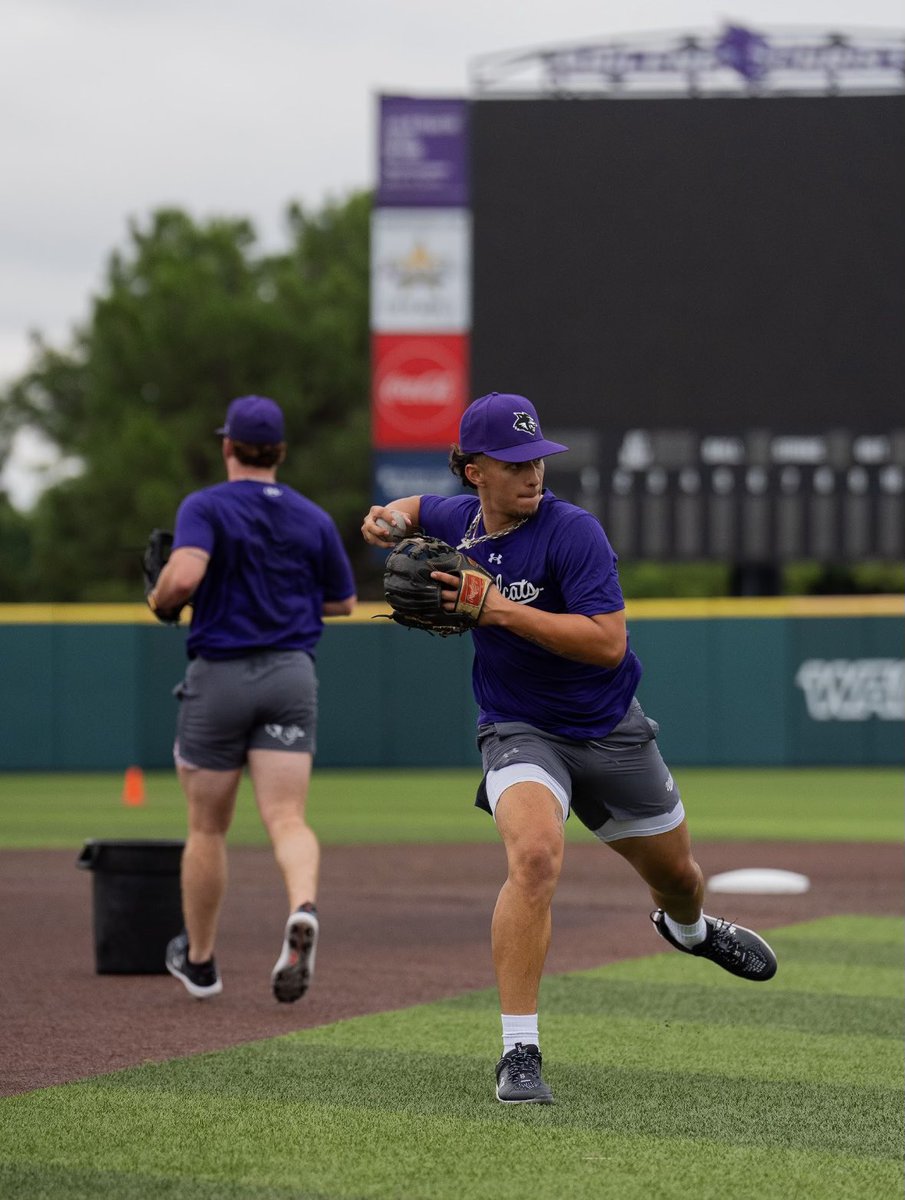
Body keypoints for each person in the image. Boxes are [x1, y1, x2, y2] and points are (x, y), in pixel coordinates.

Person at [362, 390, 777, 1104]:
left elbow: (607, 643)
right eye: (514, 461)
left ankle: (690, 930)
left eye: (537, 458)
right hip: (518, 729)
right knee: (532, 858)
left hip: (609, 727)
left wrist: (493, 608)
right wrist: (387, 518)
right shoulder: (458, 518)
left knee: (678, 876)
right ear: (474, 472)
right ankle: (518, 1052)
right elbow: (417, 510)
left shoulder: (571, 531)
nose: (533, 473)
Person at [149, 394, 357, 1003]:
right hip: (291, 675)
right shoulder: (312, 516)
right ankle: (303, 907)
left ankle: (203, 962)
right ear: (281, 452)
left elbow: (183, 577)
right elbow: (341, 602)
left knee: (208, 827)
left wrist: (162, 599)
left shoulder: (206, 505)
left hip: (220, 674)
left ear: (228, 447)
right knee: (287, 818)